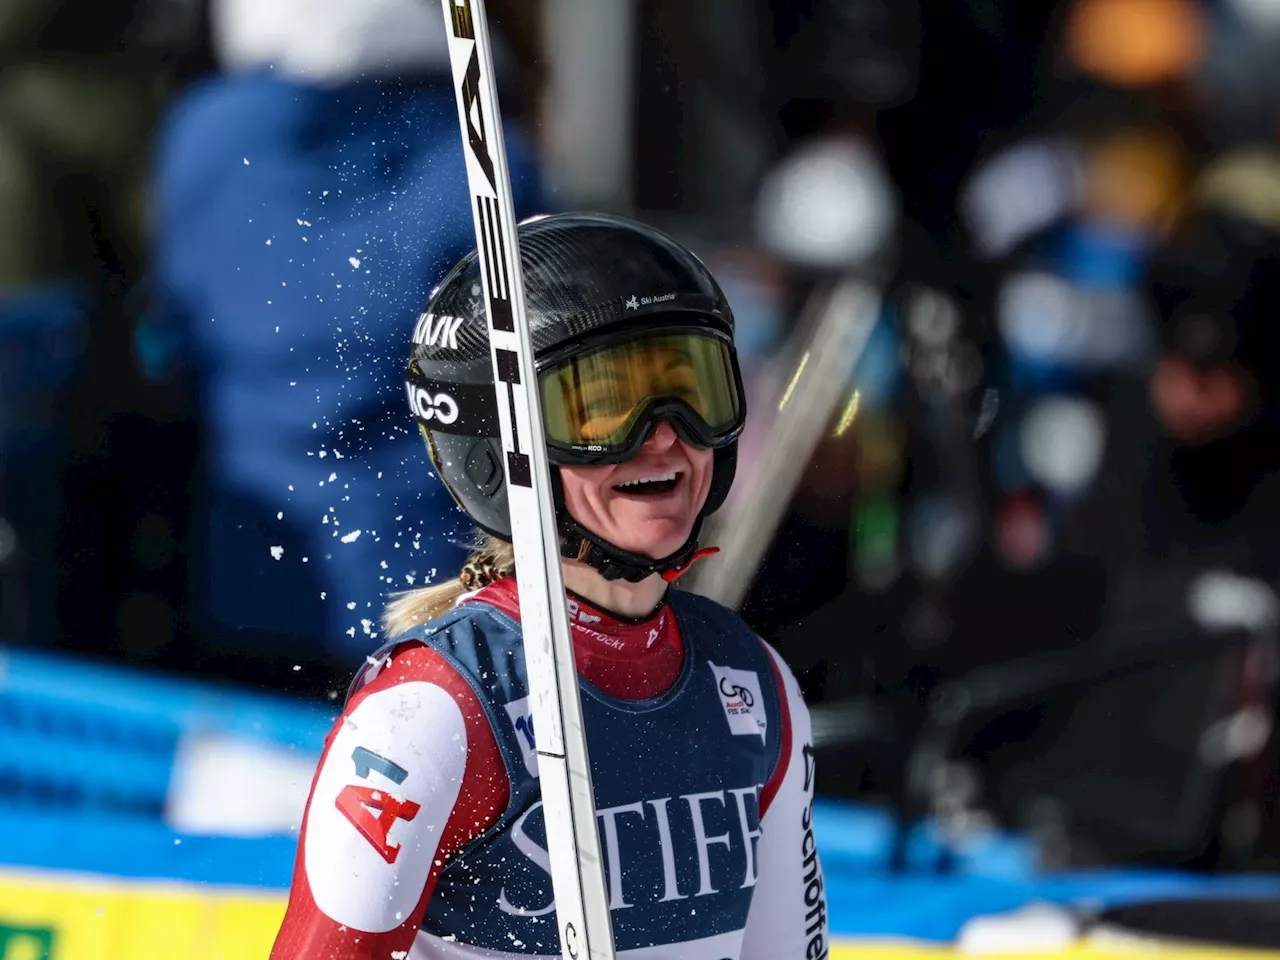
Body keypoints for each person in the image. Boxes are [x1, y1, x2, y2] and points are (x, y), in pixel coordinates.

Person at [270, 213, 828, 959]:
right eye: (604, 405)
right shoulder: (436, 711)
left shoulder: (754, 684)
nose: (664, 436)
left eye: (689, 386)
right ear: (502, 450)